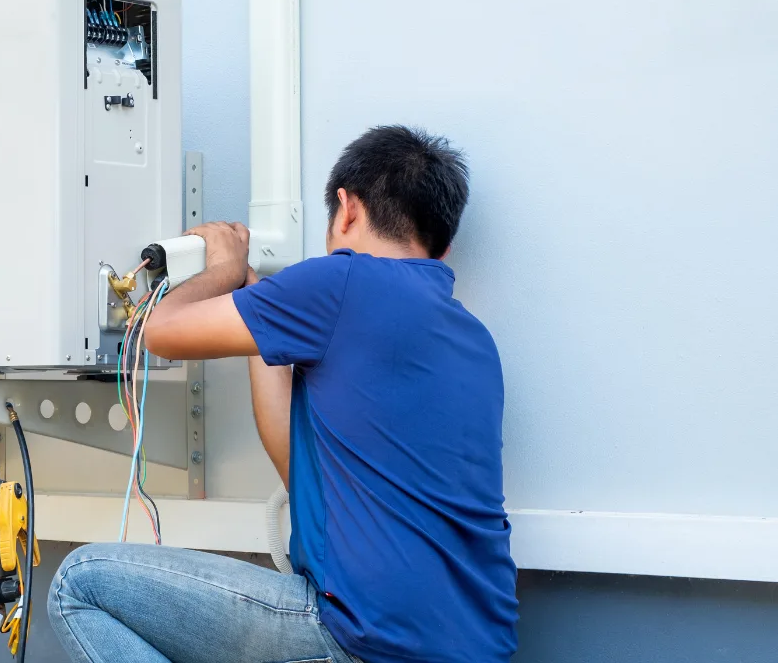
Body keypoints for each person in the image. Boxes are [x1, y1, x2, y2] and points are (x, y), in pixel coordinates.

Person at [47, 126, 518, 663]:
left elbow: (156, 330)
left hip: (361, 640)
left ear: (346, 208)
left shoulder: (340, 283)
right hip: (476, 646)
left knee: (78, 585)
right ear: (444, 246)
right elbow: (301, 468)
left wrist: (221, 268)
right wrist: (256, 311)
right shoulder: (474, 344)